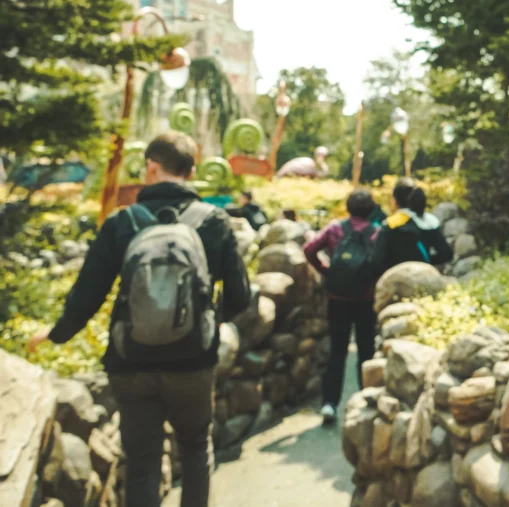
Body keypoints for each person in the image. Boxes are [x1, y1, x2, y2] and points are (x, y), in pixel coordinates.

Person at [28, 132, 251, 507]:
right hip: (193, 362)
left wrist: (55, 334)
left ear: (151, 166)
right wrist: (206, 323)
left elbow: (88, 295)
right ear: (192, 170)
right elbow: (240, 296)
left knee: (143, 463)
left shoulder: (123, 222)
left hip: (132, 362)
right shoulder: (215, 221)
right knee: (196, 450)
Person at [302, 189, 380, 423]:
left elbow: (309, 249)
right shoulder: (377, 233)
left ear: (348, 208)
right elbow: (381, 263)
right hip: (366, 300)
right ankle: (366, 401)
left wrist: (327, 271)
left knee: (337, 351)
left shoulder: (335, 228)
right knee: (366, 351)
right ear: (371, 210)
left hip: (337, 299)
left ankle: (329, 404)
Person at [371, 178, 454, 278]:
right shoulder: (430, 221)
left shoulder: (390, 224)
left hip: (397, 281)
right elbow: (447, 254)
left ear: (395, 200)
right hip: (424, 277)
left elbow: (376, 262)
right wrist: (426, 262)